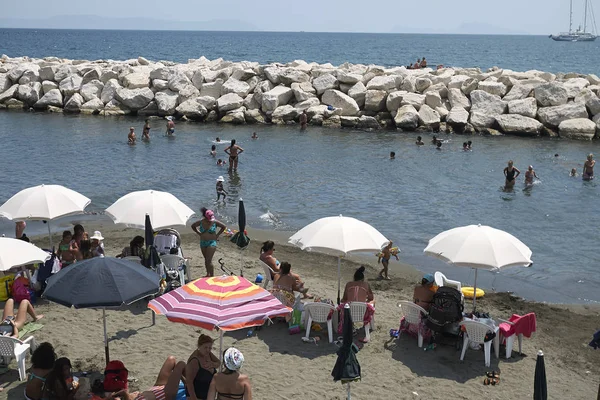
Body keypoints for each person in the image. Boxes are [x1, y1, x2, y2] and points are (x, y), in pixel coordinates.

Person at [191, 208, 226, 277]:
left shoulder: (214, 222)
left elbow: (223, 227)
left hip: (212, 242)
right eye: (208, 218)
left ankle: (212, 276)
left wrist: (217, 235)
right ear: (205, 217)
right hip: (203, 242)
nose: (210, 219)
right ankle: (208, 273)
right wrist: (198, 233)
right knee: (206, 260)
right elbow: (193, 226)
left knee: (208, 260)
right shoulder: (201, 222)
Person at [185, 335, 220, 400]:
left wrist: (213, 364)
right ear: (199, 346)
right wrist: (194, 398)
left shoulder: (208, 354)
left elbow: (218, 362)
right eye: (205, 347)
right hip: (197, 396)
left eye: (210, 348)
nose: (208, 350)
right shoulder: (195, 361)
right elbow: (189, 382)